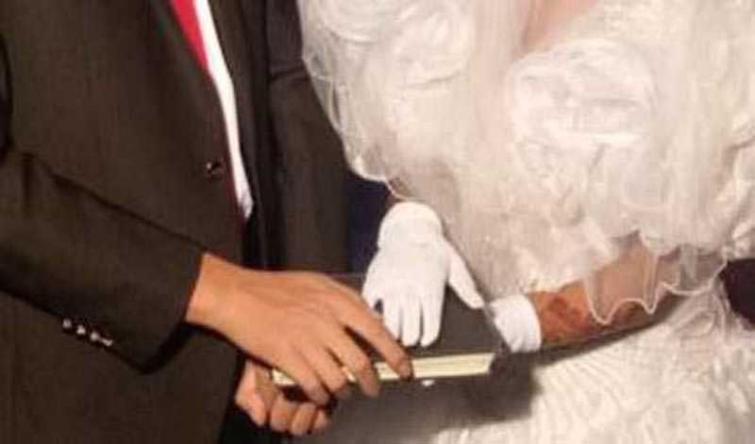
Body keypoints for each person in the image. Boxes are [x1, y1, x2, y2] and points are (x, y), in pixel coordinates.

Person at [297, 0, 755, 442]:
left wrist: (517, 323)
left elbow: (672, 258)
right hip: (453, 385)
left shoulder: (708, 21)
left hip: (628, 395)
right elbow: (418, 151)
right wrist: (412, 226)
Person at [0, 1, 411, 443]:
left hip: (261, 385)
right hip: (83, 386)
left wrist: (307, 331)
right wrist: (220, 294)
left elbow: (289, 74)